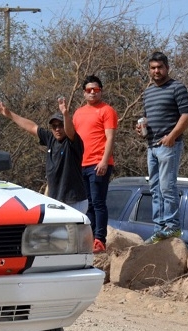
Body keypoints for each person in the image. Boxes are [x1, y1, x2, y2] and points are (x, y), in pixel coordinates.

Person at [136, 51, 188, 244]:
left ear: (167, 68)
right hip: (151, 146)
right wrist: (141, 128)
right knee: (155, 188)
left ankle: (172, 226)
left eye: (160, 67)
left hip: (168, 145)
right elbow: (147, 117)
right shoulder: (148, 92)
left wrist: (172, 136)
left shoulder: (177, 87)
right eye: (153, 68)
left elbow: (187, 115)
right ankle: (159, 228)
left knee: (167, 186)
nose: (156, 71)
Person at [0, 99, 87, 213]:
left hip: (74, 201)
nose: (57, 129)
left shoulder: (72, 141)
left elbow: (70, 131)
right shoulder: (51, 139)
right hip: (57, 201)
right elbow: (31, 127)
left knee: (73, 227)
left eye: (61, 125)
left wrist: (65, 114)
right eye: (54, 126)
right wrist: (9, 114)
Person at [73, 75, 118, 253]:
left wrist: (104, 161)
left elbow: (110, 137)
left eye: (96, 89)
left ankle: (100, 239)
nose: (92, 92)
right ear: (84, 93)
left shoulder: (107, 110)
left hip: (98, 163)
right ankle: (90, 238)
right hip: (81, 164)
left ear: (101, 91)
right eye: (89, 90)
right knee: (88, 204)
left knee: (98, 202)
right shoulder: (78, 113)